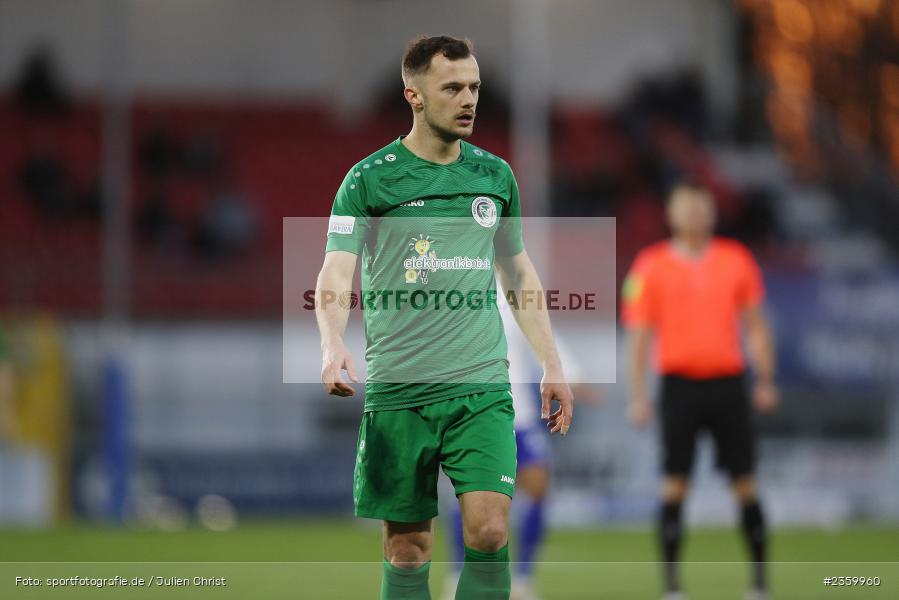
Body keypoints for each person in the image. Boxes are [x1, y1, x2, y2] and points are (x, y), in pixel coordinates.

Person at [314, 35, 574, 600]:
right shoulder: (369, 179)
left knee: (490, 530)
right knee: (408, 549)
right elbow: (335, 272)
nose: (468, 99)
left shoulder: (495, 176)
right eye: (452, 88)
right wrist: (332, 343)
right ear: (414, 95)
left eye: (474, 88)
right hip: (400, 389)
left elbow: (519, 274)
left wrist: (551, 363)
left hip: (481, 386)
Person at [622, 183, 778, 600]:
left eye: (701, 207)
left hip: (728, 385)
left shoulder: (736, 260)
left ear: (712, 213)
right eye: (686, 207)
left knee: (745, 483)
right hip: (679, 387)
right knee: (675, 484)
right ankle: (673, 588)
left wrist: (765, 378)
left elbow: (755, 325)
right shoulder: (650, 265)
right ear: (671, 214)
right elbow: (639, 335)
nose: (694, 214)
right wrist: (638, 395)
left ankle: (760, 585)